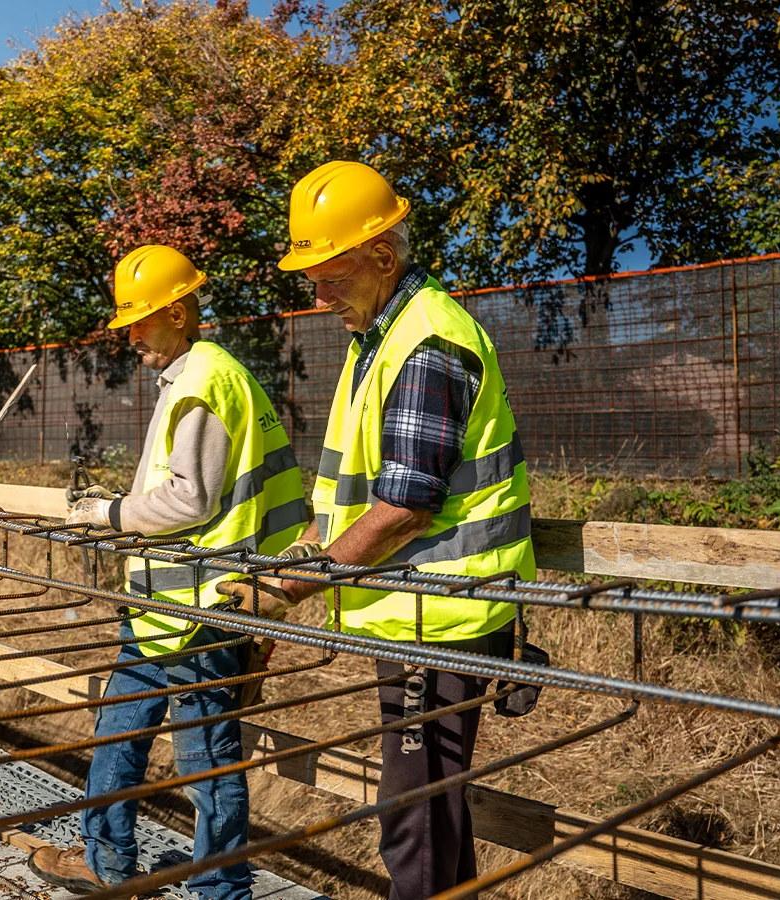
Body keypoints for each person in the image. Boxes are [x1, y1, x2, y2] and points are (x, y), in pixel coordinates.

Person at [218, 161, 536, 899]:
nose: (318, 297)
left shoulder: (426, 343)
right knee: (431, 813)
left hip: (443, 616)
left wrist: (288, 588)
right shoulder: (380, 338)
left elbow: (405, 507)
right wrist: (296, 560)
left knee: (412, 816)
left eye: (329, 278)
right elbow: (352, 496)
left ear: (382, 257)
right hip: (419, 611)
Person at [27, 244, 308, 899]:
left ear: (178, 313)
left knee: (206, 759)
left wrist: (108, 513)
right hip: (162, 603)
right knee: (118, 731)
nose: (131, 337)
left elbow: (190, 499)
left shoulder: (205, 380)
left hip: (202, 608)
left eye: (141, 321)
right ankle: (106, 862)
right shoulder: (196, 375)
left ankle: (220, 891)